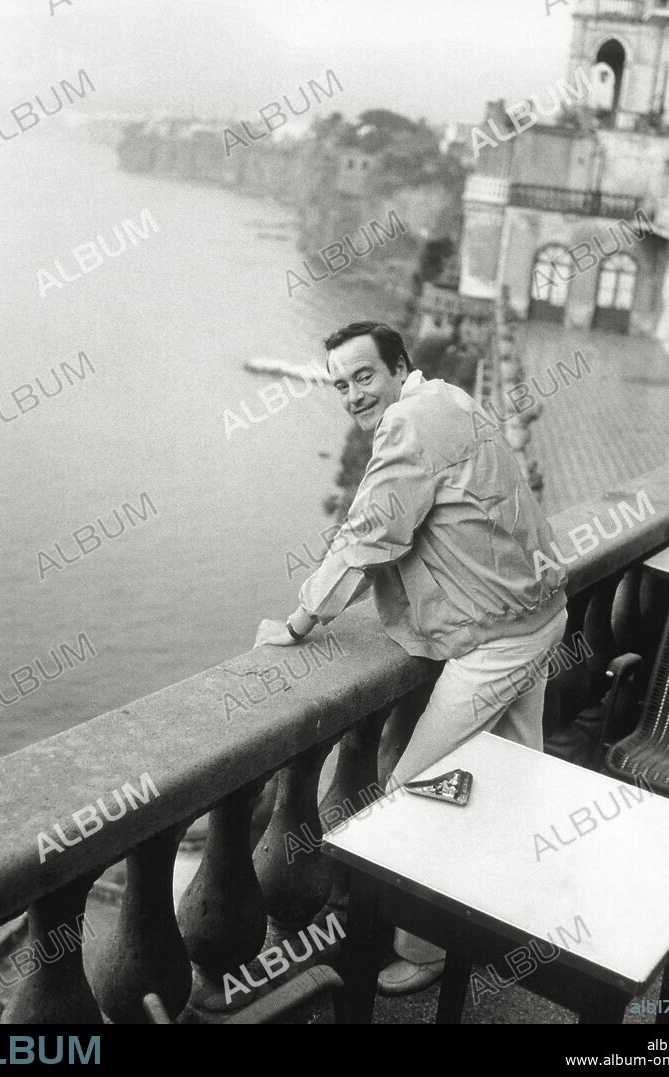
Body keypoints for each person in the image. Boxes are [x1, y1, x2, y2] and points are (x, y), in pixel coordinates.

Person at [254, 321, 568, 996]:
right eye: (340, 384)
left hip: (498, 639)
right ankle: (501, 912)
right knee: (510, 777)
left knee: (410, 791)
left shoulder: (408, 427)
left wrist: (300, 619)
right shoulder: (448, 399)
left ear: (399, 367)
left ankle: (424, 947)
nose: (353, 394)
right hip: (539, 612)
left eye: (364, 376)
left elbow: (368, 535)